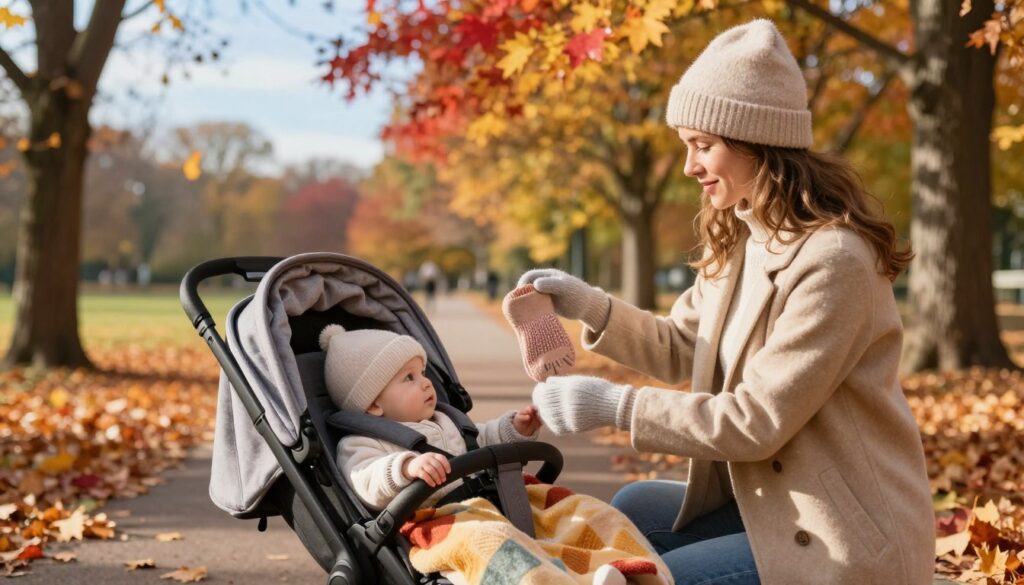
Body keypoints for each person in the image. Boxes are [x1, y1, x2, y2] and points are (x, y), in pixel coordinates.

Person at [523, 18, 934, 585]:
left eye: (703, 146)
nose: (689, 166)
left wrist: (617, 407)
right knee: (635, 506)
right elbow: (683, 345)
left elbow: (755, 420)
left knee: (658, 575)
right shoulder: (745, 236)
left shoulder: (834, 261)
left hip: (845, 534)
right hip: (778, 500)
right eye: (687, 146)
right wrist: (589, 305)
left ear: (758, 144)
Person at [319, 323, 540, 510]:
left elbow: (480, 440)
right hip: (434, 523)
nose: (426, 382)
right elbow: (365, 480)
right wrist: (406, 468)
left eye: (422, 373)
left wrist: (514, 428)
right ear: (375, 404)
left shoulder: (447, 420)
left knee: (548, 500)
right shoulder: (362, 443)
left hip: (486, 504)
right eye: (409, 378)